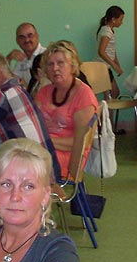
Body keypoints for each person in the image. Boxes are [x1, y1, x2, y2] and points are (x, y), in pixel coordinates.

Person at [35, 41, 98, 179]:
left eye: (60, 63)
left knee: (28, 163)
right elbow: (32, 125)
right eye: (50, 64)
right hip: (42, 148)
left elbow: (81, 142)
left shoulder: (83, 95)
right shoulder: (44, 92)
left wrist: (44, 142)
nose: (55, 68)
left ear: (72, 65)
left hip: (70, 154)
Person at [96, 5, 125, 98]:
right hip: (102, 67)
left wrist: (117, 64)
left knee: (112, 94)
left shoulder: (109, 31)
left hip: (105, 67)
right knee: (112, 94)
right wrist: (114, 65)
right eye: (120, 19)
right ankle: (105, 112)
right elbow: (101, 51)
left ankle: (106, 112)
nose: (122, 22)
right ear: (113, 19)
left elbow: (112, 50)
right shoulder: (107, 32)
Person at [7, 22, 46, 86]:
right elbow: (10, 81)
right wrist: (8, 58)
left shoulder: (46, 55)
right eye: (22, 37)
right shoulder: (21, 60)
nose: (27, 40)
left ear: (37, 36)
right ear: (17, 41)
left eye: (30, 35)